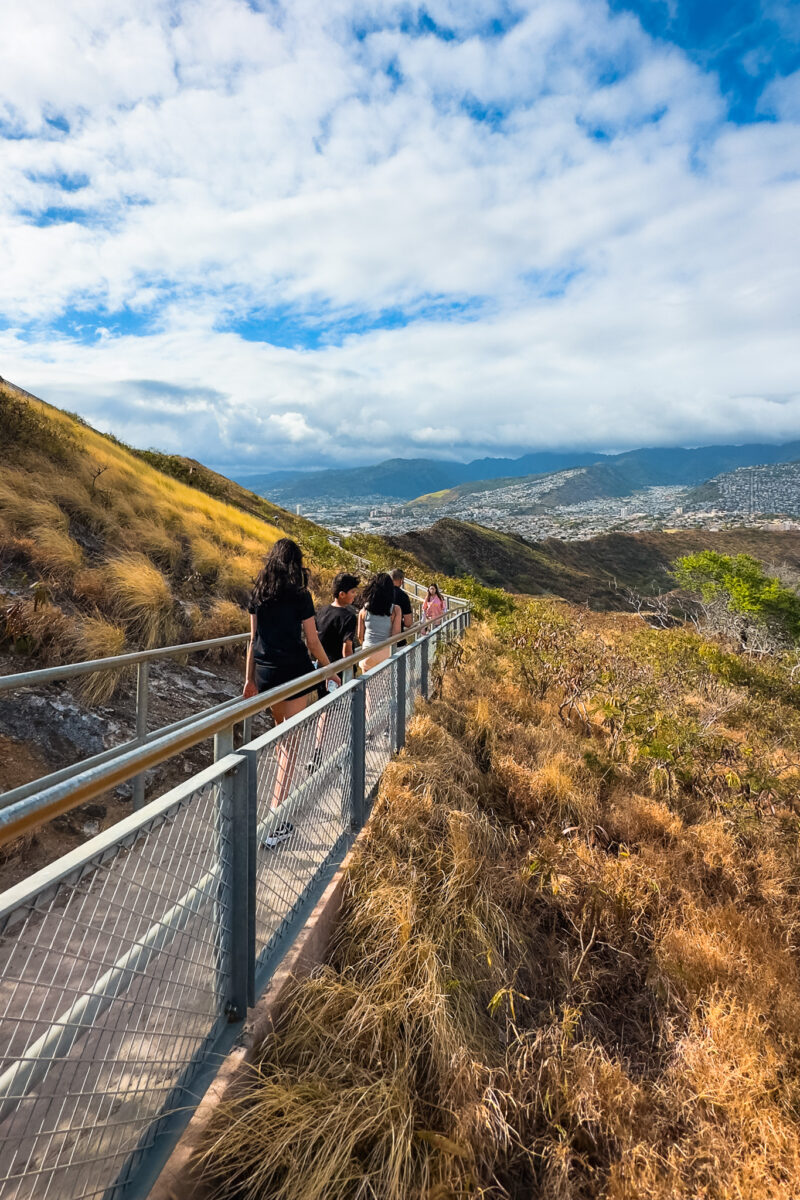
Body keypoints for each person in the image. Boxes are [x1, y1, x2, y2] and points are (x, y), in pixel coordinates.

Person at [243, 538, 338, 845]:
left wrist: (250, 680)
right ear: (296, 563)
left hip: (267, 673)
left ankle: (273, 813)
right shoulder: (300, 595)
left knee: (281, 738)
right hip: (294, 673)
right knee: (290, 748)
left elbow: (252, 638)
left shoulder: (259, 594)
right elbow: (312, 641)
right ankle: (275, 820)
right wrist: (328, 669)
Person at [357, 573, 401, 672]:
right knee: (387, 685)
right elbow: (395, 636)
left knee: (367, 685)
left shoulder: (364, 609)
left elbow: (360, 636)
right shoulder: (395, 609)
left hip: (367, 652)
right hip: (386, 653)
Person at [315, 572, 360, 669]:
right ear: (342, 594)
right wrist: (351, 670)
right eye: (352, 592)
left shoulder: (322, 611)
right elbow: (347, 650)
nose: (355, 595)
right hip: (339, 670)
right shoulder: (349, 617)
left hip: (322, 667)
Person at [391, 568, 413, 646]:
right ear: (401, 580)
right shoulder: (403, 596)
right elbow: (408, 622)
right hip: (397, 642)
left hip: (378, 643)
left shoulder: (378, 593)